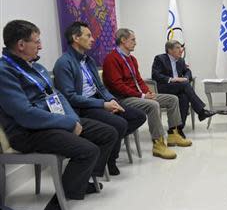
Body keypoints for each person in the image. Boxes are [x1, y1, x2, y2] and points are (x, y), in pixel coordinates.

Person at [0, 20, 116, 210]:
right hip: (28, 132)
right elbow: (25, 114)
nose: (41, 46)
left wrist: (74, 120)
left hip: (55, 121)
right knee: (88, 151)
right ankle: (55, 206)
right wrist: (68, 123)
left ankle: (78, 182)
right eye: (36, 41)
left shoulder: (37, 67)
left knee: (108, 133)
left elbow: (58, 96)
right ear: (20, 45)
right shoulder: (4, 71)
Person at [53, 22, 146, 175]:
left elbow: (101, 88)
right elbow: (70, 97)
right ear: (76, 38)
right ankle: (108, 161)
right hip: (82, 108)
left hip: (98, 101)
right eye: (88, 35)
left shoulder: (88, 61)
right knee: (120, 124)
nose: (92, 39)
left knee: (138, 116)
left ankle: (106, 152)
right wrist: (103, 104)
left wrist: (111, 100)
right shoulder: (64, 63)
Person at [102, 28, 191, 160]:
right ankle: (158, 143)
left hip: (137, 95)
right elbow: (118, 86)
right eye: (133, 40)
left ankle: (173, 134)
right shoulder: (111, 59)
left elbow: (139, 80)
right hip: (122, 98)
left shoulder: (132, 59)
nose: (135, 43)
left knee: (172, 99)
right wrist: (142, 96)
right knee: (153, 105)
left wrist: (148, 92)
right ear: (123, 40)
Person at [152, 39, 216, 127]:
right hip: (164, 88)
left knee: (184, 97)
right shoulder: (160, 59)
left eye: (181, 48)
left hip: (178, 88)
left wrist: (185, 77)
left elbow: (187, 71)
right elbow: (155, 75)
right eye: (178, 48)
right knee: (185, 84)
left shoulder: (180, 60)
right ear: (170, 50)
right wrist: (172, 79)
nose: (181, 50)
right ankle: (201, 111)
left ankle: (179, 128)